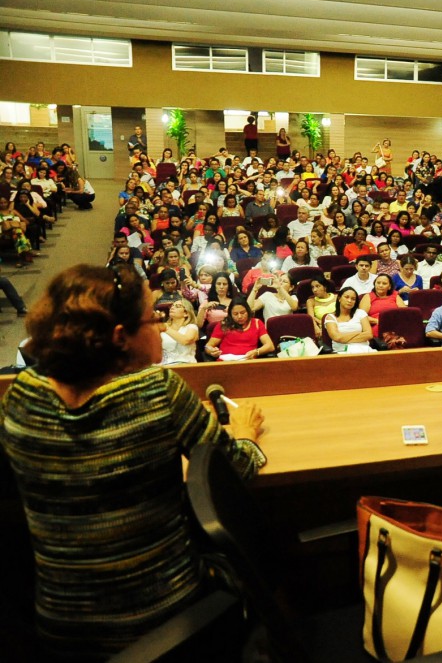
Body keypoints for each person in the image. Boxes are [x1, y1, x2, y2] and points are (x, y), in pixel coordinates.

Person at [0, 264, 265, 659]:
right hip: (167, 619)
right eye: (152, 318)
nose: (160, 325)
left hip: (59, 629)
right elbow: (236, 469)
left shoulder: (23, 393)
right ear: (120, 337)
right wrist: (245, 434)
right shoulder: (157, 390)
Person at [205, 298, 274, 361]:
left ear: (248, 311)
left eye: (243, 313)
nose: (239, 316)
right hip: (225, 362)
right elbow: (208, 346)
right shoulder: (224, 324)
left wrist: (256, 352)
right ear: (230, 314)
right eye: (235, 314)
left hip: (248, 361)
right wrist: (211, 351)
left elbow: (270, 346)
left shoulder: (257, 323)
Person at [323, 286, 376, 354]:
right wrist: (359, 333)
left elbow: (369, 335)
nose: (349, 301)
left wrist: (343, 338)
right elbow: (337, 338)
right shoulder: (330, 317)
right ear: (339, 298)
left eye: (353, 299)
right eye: (346, 297)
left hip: (364, 349)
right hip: (342, 351)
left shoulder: (360, 313)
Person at [159, 299, 200, 364]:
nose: (172, 307)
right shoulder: (162, 326)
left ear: (186, 313)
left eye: (177, 306)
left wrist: (165, 328)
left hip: (185, 364)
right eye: (172, 306)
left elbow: (186, 340)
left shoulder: (191, 327)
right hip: (163, 364)